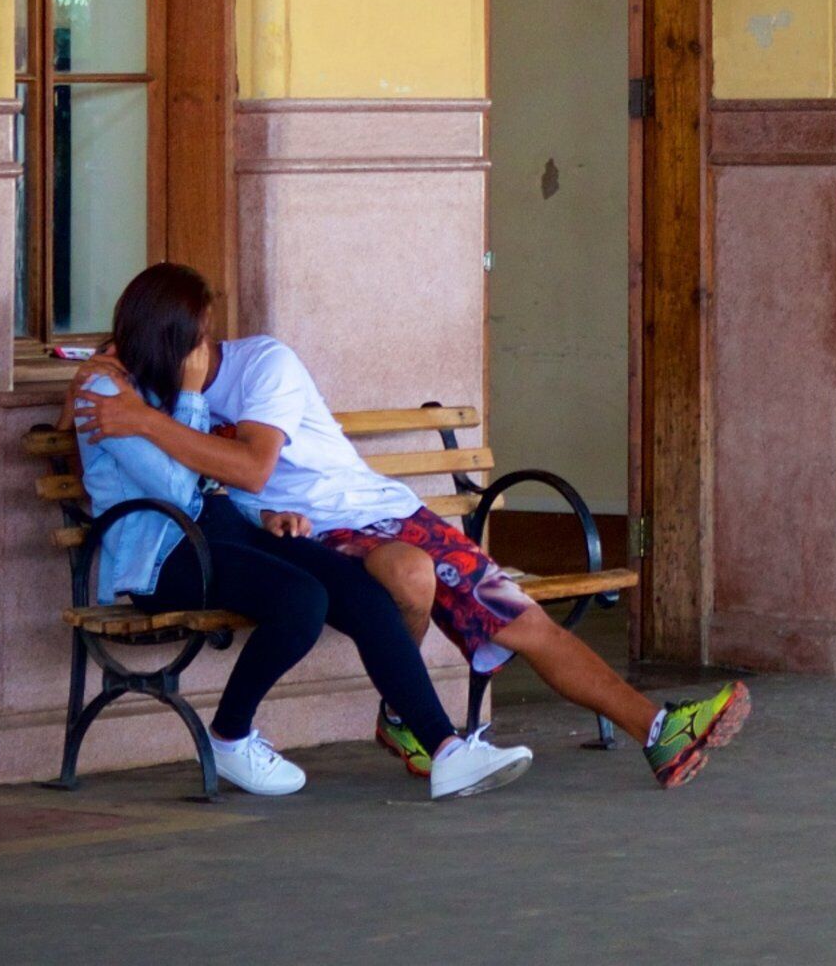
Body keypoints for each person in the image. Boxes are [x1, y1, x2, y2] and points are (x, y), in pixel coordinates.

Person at [77, 313, 754, 790]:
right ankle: (408, 718)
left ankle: (656, 728)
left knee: (520, 619)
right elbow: (208, 479)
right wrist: (110, 377)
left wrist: (161, 411)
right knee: (407, 573)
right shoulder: (162, 395)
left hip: (385, 511)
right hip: (322, 535)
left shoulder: (261, 365)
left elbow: (249, 466)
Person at [78, 266, 533, 799]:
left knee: (357, 589)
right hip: (164, 555)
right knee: (302, 600)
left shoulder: (154, 389)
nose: (208, 344)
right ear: (170, 333)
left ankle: (446, 750)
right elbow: (178, 491)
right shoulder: (106, 390)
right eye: (200, 331)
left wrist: (265, 518)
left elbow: (205, 482)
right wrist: (191, 395)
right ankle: (229, 735)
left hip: (217, 530)